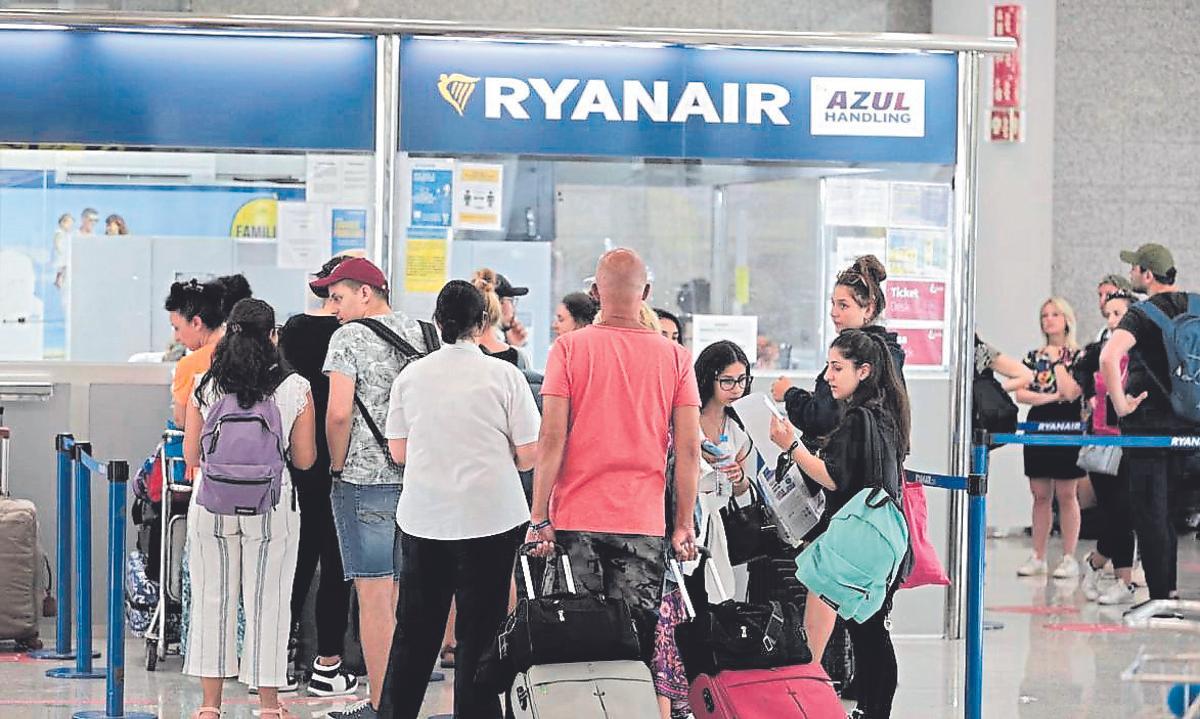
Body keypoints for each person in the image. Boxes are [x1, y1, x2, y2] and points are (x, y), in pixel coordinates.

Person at [528, 248, 701, 663]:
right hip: (641, 523)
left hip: (576, 520)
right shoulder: (675, 358)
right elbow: (690, 449)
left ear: (594, 293)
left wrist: (539, 518)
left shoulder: (568, 350)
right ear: (646, 292)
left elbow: (552, 438)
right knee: (634, 648)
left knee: (574, 646)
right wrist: (682, 525)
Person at [377, 280, 540, 719]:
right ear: (482, 322)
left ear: (438, 322)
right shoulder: (505, 375)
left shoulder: (411, 375)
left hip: (425, 516)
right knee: (482, 631)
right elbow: (529, 456)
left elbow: (398, 451)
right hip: (492, 516)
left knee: (415, 631)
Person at [182, 298, 317, 719]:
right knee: (269, 600)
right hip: (272, 504)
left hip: (212, 504)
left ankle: (209, 706)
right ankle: (269, 707)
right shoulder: (295, 387)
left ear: (228, 334)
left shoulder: (204, 384)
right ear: (273, 335)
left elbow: (192, 454)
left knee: (211, 598)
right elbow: (306, 459)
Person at [313, 257, 435, 719]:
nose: (332, 307)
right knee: (409, 595)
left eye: (337, 296)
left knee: (374, 596)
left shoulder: (347, 339)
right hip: (419, 478)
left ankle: (386, 707)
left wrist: (338, 465)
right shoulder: (425, 333)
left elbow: (339, 412)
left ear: (367, 292)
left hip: (365, 482)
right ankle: (408, 703)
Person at [769, 329, 911, 719]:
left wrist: (791, 446)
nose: (829, 376)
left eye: (837, 367)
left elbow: (835, 478)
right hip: (881, 538)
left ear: (863, 371)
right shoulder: (885, 413)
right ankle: (872, 708)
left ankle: (871, 709)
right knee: (870, 629)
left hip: (857, 539)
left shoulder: (859, 419)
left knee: (868, 632)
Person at [653, 340, 754, 719]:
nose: (735, 388)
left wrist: (739, 476)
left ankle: (701, 692)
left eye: (742, 380)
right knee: (676, 607)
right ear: (708, 378)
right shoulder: (685, 416)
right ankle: (674, 694)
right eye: (727, 380)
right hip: (683, 521)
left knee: (711, 607)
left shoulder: (739, 424)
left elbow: (745, 487)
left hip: (718, 526)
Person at [277, 256, 359, 696]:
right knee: (336, 564)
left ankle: (279, 663)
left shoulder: (292, 330)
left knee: (295, 559)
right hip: (343, 461)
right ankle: (329, 663)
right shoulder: (353, 334)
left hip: (298, 461)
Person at [1102, 243, 1196, 602]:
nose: (1130, 275)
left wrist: (1122, 405)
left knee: (1153, 514)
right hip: (1193, 429)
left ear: (1147, 274)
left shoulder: (1140, 313)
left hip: (1151, 429)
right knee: (1180, 514)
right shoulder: (1198, 305)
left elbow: (1110, 358)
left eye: (1134, 269)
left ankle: (1162, 597)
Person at [772, 255, 905, 444]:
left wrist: (790, 395)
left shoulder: (861, 353)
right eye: (833, 303)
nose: (834, 312)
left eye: (843, 305)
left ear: (868, 309)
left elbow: (823, 417)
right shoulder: (887, 353)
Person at [1069, 290, 1138, 605]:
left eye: (1118, 314)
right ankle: (1120, 579)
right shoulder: (1097, 350)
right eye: (1108, 314)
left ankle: (1099, 563)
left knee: (1128, 511)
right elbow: (1079, 371)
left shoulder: (1142, 353)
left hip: (1133, 439)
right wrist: (1091, 395)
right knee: (1114, 511)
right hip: (1101, 438)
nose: (1112, 321)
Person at [1014, 297, 1085, 579]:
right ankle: (1038, 555)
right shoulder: (1033, 356)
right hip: (1038, 422)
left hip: (1067, 421)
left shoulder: (1078, 356)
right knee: (1040, 494)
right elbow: (1021, 392)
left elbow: (1072, 392)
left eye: (1055, 314)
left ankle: (1068, 556)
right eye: (1045, 315)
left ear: (1067, 319)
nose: (1049, 320)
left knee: (1067, 493)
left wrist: (1057, 362)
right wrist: (1049, 397)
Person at [166, 279, 228, 428]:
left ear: (196, 323)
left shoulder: (191, 365)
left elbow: (181, 420)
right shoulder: (246, 351)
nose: (176, 338)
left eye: (177, 328)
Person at [472, 268, 526, 368]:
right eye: (511, 301)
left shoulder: (462, 349)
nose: (513, 309)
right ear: (498, 303)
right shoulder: (510, 356)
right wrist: (516, 353)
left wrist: (512, 344)